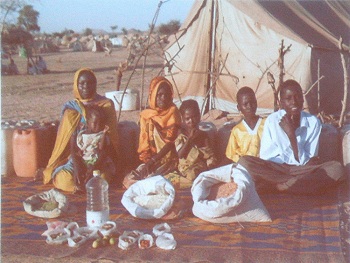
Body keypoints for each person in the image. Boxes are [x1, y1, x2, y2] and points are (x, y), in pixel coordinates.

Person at [238, 79, 344, 194]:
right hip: (276, 169)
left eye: (297, 97)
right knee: (244, 162)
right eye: (288, 99)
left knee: (337, 169)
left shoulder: (313, 122)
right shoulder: (272, 121)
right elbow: (266, 157)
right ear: (281, 103)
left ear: (303, 99)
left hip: (302, 170)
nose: (294, 102)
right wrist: (279, 171)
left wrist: (291, 136)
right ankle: (294, 185)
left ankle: (280, 186)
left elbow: (309, 161)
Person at [41, 68, 120, 192]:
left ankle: (86, 184)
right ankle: (80, 185)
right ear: (76, 85)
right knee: (66, 181)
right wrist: (78, 167)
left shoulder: (106, 105)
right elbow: (67, 145)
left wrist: (93, 166)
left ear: (95, 84)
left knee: (102, 178)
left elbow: (110, 142)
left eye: (90, 83)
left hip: (98, 158)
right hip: (74, 158)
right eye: (82, 83)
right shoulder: (70, 110)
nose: (86, 86)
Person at [123, 76, 181, 188]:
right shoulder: (147, 115)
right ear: (153, 95)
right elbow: (143, 143)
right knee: (129, 180)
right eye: (159, 95)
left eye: (166, 95)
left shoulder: (173, 113)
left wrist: (152, 161)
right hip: (150, 159)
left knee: (151, 182)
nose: (162, 98)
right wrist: (146, 162)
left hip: (168, 160)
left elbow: (170, 143)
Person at [169, 99, 217, 188]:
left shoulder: (203, 135)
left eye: (194, 117)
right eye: (187, 119)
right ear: (182, 119)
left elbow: (210, 155)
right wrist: (190, 139)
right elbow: (180, 154)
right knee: (169, 179)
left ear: (199, 116)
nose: (191, 121)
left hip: (199, 169)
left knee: (197, 175)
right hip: (184, 170)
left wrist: (209, 166)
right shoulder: (181, 134)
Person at [70, 105, 112, 192]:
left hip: (97, 162)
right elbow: (76, 149)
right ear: (88, 122)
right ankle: (78, 184)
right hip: (83, 160)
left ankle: (86, 182)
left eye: (100, 123)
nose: (98, 126)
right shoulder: (81, 134)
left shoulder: (101, 135)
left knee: (97, 175)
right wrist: (78, 152)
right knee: (76, 170)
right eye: (95, 123)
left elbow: (102, 150)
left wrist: (104, 133)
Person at [224, 86, 265, 164]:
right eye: (245, 104)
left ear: (256, 102)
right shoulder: (237, 130)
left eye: (252, 102)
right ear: (239, 107)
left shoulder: (266, 124)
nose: (249, 106)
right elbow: (231, 155)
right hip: (245, 166)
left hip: (265, 164)